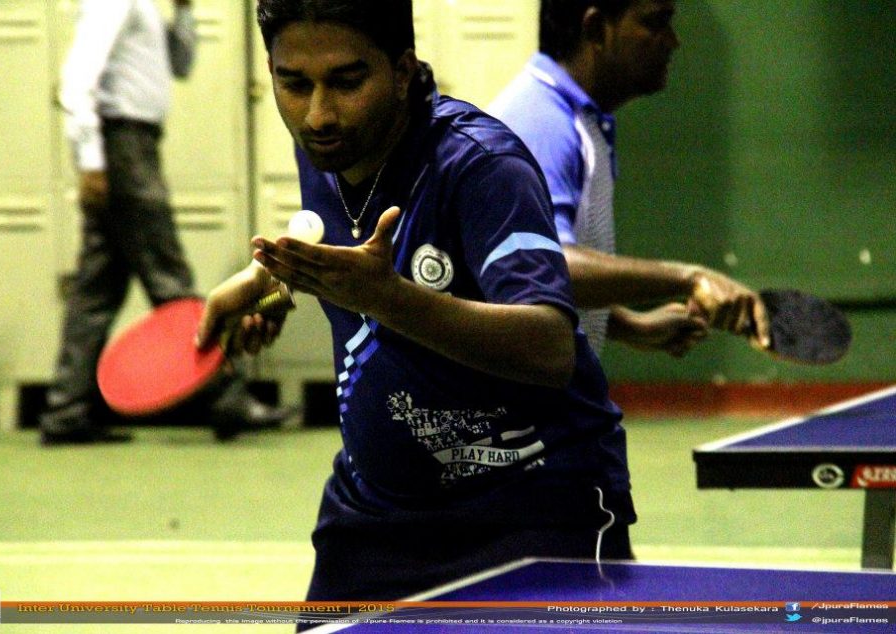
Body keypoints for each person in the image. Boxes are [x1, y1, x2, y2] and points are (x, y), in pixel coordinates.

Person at [198, 0, 636, 609]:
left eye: (347, 82)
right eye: (294, 84)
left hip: (530, 507)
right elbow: (351, 255)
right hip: (374, 517)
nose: (318, 113)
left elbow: (549, 347)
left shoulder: (482, 165)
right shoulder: (325, 147)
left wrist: (389, 300)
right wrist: (276, 281)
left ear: (402, 72)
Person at [42, 0, 286, 445]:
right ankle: (225, 396)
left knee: (97, 287)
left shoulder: (145, 7)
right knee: (169, 277)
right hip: (122, 145)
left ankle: (66, 409)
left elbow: (181, 64)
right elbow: (77, 80)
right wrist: (91, 160)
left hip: (135, 142)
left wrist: (185, 12)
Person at [489, 0, 770, 358]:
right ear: (595, 29)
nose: (673, 41)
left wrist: (628, 326)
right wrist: (688, 278)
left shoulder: (575, 117)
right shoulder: (541, 123)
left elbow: (526, 289)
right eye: (656, 23)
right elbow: (546, 264)